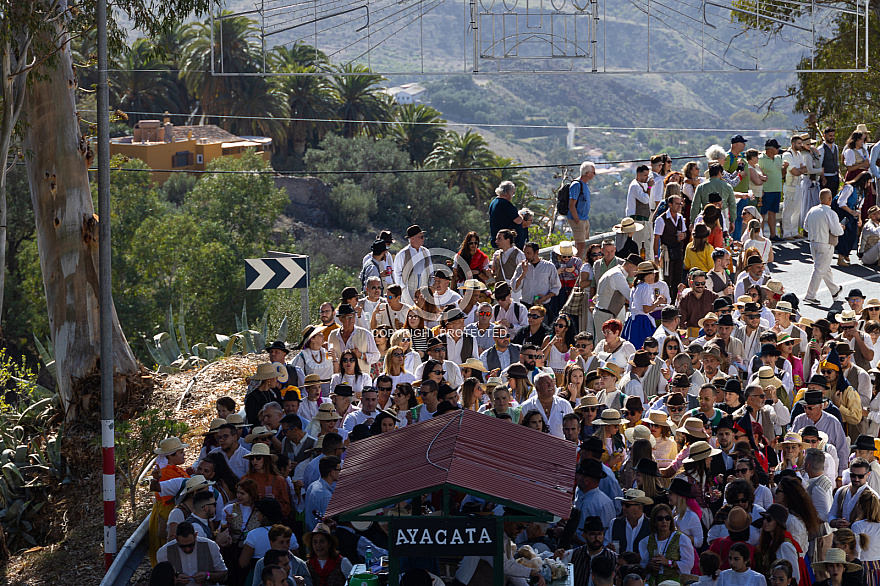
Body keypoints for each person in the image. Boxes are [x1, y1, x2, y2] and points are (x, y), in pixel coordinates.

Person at [803, 188, 845, 305]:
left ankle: (834, 290)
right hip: (825, 244)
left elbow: (806, 227)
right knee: (819, 269)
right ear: (830, 199)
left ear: (819, 198)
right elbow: (837, 231)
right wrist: (841, 228)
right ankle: (810, 295)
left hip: (812, 243)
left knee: (824, 268)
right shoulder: (830, 213)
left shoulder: (812, 210)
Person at [638, 503, 695, 586]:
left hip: (674, 582)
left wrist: (668, 562)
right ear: (654, 522)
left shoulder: (681, 539)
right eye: (660, 519)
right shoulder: (646, 541)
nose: (664, 521)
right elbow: (642, 566)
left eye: (667, 518)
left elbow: (688, 564)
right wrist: (650, 566)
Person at [157, 522, 228, 586]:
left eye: (191, 545)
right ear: (176, 538)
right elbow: (160, 580)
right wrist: (175, 579)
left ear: (196, 535)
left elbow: (223, 575)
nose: (187, 549)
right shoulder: (164, 552)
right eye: (183, 546)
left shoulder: (210, 546)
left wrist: (207, 576)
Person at [512, 242, 561, 320]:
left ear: (536, 252)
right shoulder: (521, 267)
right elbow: (515, 288)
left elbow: (556, 287)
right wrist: (523, 274)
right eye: (525, 253)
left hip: (542, 306)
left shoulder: (548, 266)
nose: (526, 256)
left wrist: (545, 297)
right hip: (525, 305)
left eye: (529, 253)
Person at [653, 193, 688, 299]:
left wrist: (683, 235)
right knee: (668, 278)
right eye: (677, 204)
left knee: (678, 278)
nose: (679, 206)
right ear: (670, 205)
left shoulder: (681, 218)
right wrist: (656, 257)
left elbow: (685, 233)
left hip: (678, 251)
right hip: (667, 252)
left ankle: (676, 301)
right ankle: (669, 300)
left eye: (680, 204)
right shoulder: (661, 219)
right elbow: (656, 239)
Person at [519, 372, 574, 438]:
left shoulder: (565, 405)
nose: (550, 385)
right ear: (537, 388)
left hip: (560, 447)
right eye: (546, 383)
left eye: (551, 382)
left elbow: (573, 428)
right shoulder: (526, 407)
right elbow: (520, 431)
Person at [393, 225, 433, 301]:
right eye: (420, 237)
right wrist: (404, 288)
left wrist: (430, 285)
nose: (423, 239)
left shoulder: (426, 252)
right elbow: (397, 273)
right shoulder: (402, 254)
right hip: (409, 290)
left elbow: (430, 271)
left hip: (423, 289)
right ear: (412, 238)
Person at [568, 161, 596, 259]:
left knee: (581, 245)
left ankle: (578, 263)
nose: (594, 174)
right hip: (579, 219)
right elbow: (571, 205)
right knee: (580, 246)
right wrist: (577, 220)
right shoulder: (577, 185)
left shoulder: (585, 184)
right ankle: (577, 266)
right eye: (593, 172)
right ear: (587, 173)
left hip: (583, 218)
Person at [627, 165, 655, 258]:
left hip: (643, 220)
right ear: (639, 175)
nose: (647, 178)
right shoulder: (635, 186)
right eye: (645, 175)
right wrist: (649, 188)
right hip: (638, 220)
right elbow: (645, 200)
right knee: (639, 246)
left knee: (645, 246)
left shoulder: (639, 185)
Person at [489, 181, 524, 249]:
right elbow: (518, 220)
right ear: (508, 193)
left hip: (499, 241)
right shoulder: (505, 204)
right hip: (507, 245)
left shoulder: (494, 203)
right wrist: (521, 215)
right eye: (512, 193)